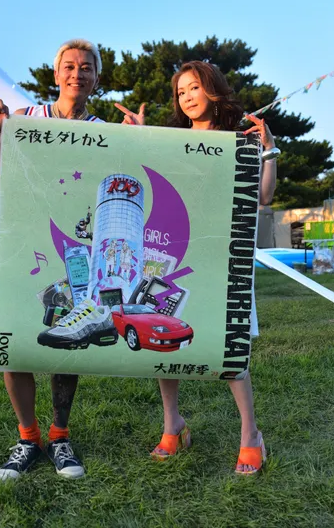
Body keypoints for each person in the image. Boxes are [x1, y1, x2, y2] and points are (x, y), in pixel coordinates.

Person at [116, 61, 278, 475]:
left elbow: (263, 197)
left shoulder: (238, 140)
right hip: (173, 253)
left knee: (229, 345)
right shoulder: (171, 141)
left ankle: (251, 435)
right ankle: (173, 424)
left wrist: (269, 150)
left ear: (213, 89)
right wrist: (141, 138)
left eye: (194, 87)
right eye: (181, 91)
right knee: (161, 339)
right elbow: (148, 176)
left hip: (223, 256)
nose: (187, 97)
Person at [0, 39, 105, 482]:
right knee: (14, 338)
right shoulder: (27, 118)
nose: (77, 73)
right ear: (56, 75)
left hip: (74, 247)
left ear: (96, 78)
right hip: (23, 244)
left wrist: (141, 138)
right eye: (69, 66)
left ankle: (59, 435)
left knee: (67, 340)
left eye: (86, 67)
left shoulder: (104, 130)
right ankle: (28, 437)